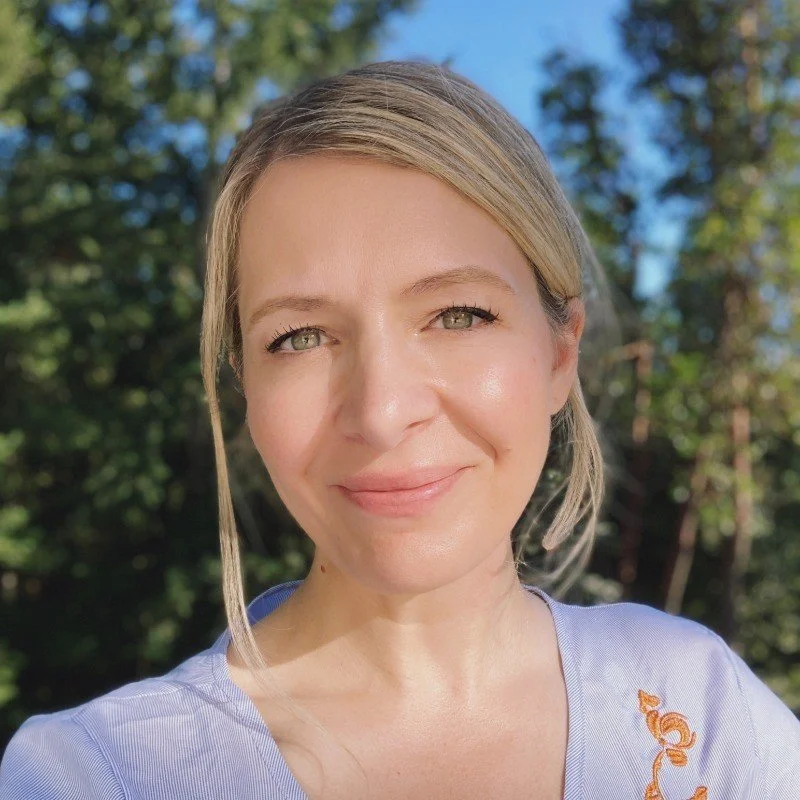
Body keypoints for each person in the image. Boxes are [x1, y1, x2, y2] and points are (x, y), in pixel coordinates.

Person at [1, 59, 798, 800]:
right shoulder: (98, 776)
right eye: (300, 337)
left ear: (560, 354)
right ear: (245, 383)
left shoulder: (703, 717)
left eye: (458, 314)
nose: (381, 413)